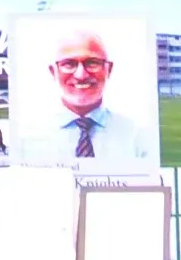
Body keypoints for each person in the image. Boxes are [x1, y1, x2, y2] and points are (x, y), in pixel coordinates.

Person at [16, 28, 157, 166]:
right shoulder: (25, 139)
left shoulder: (137, 137)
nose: (81, 75)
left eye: (92, 63)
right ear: (53, 72)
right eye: (69, 64)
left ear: (109, 69)